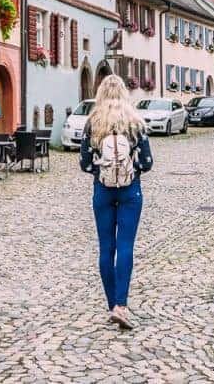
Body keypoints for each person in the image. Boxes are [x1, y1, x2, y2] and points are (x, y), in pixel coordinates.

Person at [79, 75, 153, 329]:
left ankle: (113, 305)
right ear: (124, 94)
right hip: (130, 192)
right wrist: (130, 170)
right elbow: (147, 162)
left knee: (105, 248)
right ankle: (122, 305)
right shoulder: (135, 123)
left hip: (103, 191)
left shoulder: (93, 123)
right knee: (125, 246)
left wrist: (103, 170)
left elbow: (85, 164)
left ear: (100, 94)